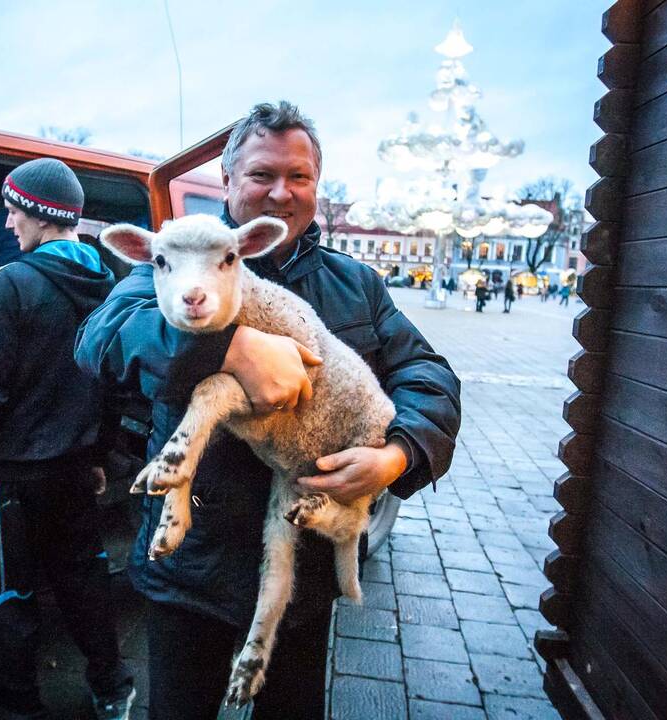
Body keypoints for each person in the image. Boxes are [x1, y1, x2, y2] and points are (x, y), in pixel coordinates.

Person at [76, 101, 461, 720]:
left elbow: (427, 374)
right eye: (261, 175)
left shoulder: (354, 285)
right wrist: (223, 346)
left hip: (303, 572)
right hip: (190, 566)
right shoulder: (177, 258)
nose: (281, 192)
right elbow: (100, 338)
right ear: (228, 180)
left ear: (316, 184)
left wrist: (398, 454)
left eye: (299, 176)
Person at [0, 158, 135, 720]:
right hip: (74, 469)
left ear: (41, 216)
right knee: (83, 579)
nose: (8, 225)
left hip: (11, 474)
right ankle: (112, 686)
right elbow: (111, 382)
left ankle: (19, 705)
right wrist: (98, 453)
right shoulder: (109, 283)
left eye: (12, 212)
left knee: (9, 595)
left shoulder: (13, 281)